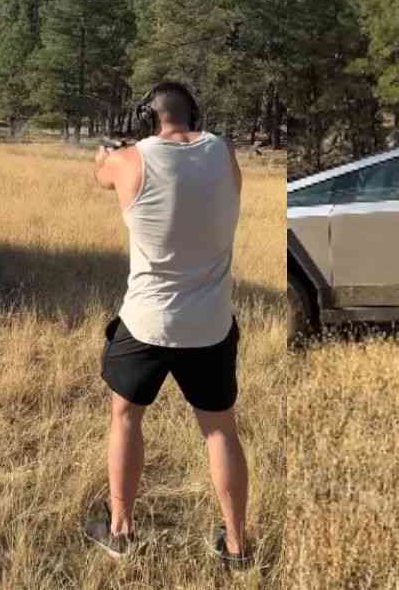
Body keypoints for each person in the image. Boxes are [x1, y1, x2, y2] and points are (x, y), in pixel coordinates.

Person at [87, 81, 250, 567]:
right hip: (211, 324)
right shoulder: (224, 154)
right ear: (193, 114)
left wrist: (108, 153)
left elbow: (101, 176)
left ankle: (119, 531)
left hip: (145, 324)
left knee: (125, 417)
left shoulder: (129, 160)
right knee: (220, 432)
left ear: (146, 118)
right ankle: (238, 547)